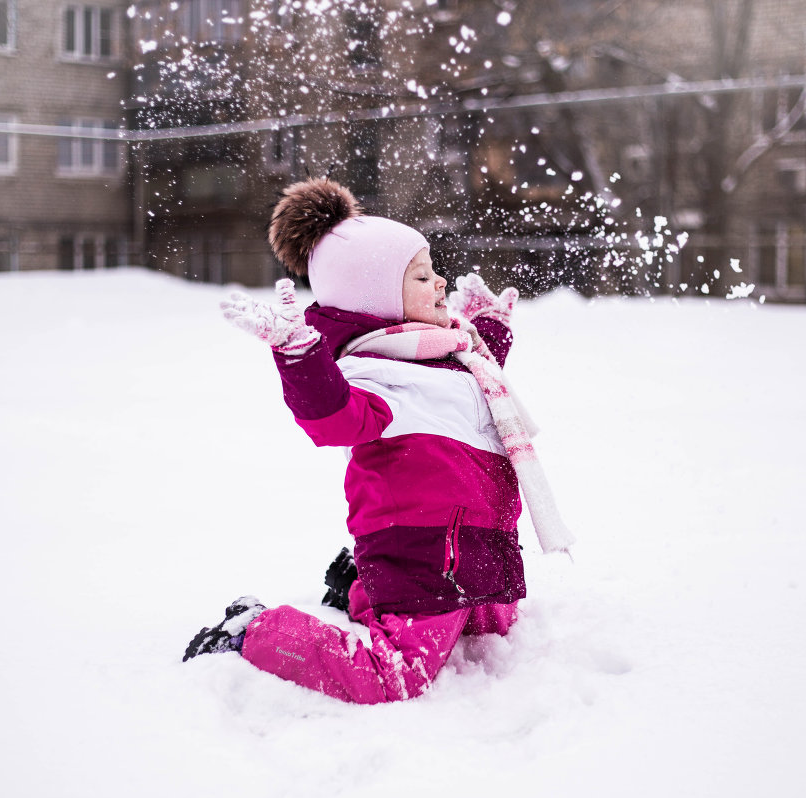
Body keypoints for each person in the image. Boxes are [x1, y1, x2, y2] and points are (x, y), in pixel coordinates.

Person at [182, 177, 573, 704]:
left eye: (434, 272)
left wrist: (488, 330)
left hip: (476, 545)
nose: (440, 285)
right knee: (394, 675)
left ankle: (363, 584)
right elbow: (332, 419)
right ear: (380, 297)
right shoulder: (376, 376)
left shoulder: (443, 355)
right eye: (421, 276)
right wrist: (299, 355)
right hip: (426, 554)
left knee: (495, 625)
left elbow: (469, 390)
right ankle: (254, 631)